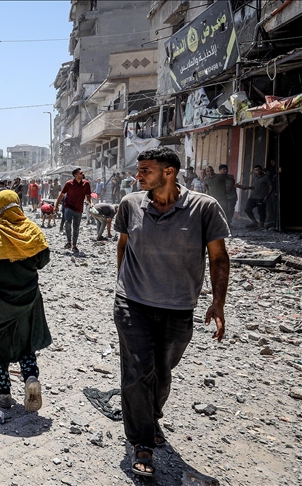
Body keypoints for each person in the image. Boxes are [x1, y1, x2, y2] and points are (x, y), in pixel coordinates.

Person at [113, 146, 229, 477]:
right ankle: (142, 443)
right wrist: (123, 286)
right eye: (138, 170)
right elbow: (123, 245)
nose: (137, 176)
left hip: (179, 307)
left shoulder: (204, 208)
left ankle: (150, 419)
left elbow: (219, 257)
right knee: (138, 371)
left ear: (169, 172)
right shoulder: (130, 204)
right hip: (132, 303)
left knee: (162, 375)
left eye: (145, 170)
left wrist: (218, 303)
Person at [0, 190, 51, 412]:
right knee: (26, 345)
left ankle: (4, 394)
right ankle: (31, 378)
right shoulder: (33, 230)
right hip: (29, 301)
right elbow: (43, 260)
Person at [54, 168, 92, 254]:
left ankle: (74, 245)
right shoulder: (69, 183)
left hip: (79, 208)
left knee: (76, 227)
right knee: (68, 222)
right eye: (81, 173)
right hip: (69, 206)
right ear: (75, 175)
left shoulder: (86, 184)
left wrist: (90, 203)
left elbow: (88, 195)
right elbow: (62, 195)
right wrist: (56, 206)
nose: (83, 174)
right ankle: (69, 242)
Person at [238, 164, 272, 229]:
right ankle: (254, 222)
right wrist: (247, 187)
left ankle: (261, 225)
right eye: (256, 170)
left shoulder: (266, 177)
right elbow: (254, 187)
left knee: (261, 211)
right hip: (253, 197)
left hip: (261, 197)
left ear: (261, 170)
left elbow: (271, 187)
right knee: (247, 209)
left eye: (259, 169)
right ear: (254, 171)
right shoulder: (255, 177)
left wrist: (267, 196)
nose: (258, 171)